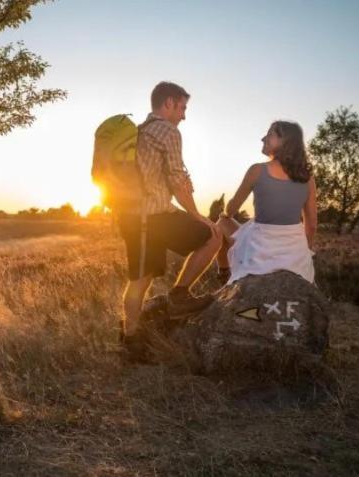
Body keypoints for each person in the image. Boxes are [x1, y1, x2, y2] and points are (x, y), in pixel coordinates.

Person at [118, 81, 222, 357]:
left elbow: (158, 181)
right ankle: (178, 297)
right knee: (213, 236)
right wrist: (197, 215)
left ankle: (131, 337)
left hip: (131, 217)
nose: (184, 115)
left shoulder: (140, 132)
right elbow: (177, 180)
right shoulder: (168, 131)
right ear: (168, 104)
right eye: (182, 107)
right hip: (152, 219)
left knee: (142, 279)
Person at [216, 121, 317, 285]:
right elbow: (311, 224)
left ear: (285, 141)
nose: (263, 138)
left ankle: (223, 273)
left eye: (270, 134)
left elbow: (231, 209)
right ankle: (225, 274)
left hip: (260, 250)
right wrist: (304, 252)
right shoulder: (308, 178)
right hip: (294, 253)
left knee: (222, 221)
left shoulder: (257, 170)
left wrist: (225, 211)